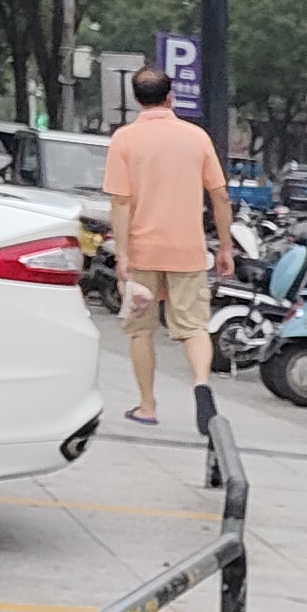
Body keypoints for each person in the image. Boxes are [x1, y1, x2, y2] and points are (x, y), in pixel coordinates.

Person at [102, 70, 231, 426]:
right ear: (171, 96)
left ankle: (147, 406)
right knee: (194, 327)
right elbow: (220, 195)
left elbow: (121, 201)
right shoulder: (197, 137)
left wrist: (122, 255)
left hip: (142, 251)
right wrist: (225, 247)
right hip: (188, 250)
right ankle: (201, 383)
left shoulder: (124, 140)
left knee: (141, 329)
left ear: (136, 98)